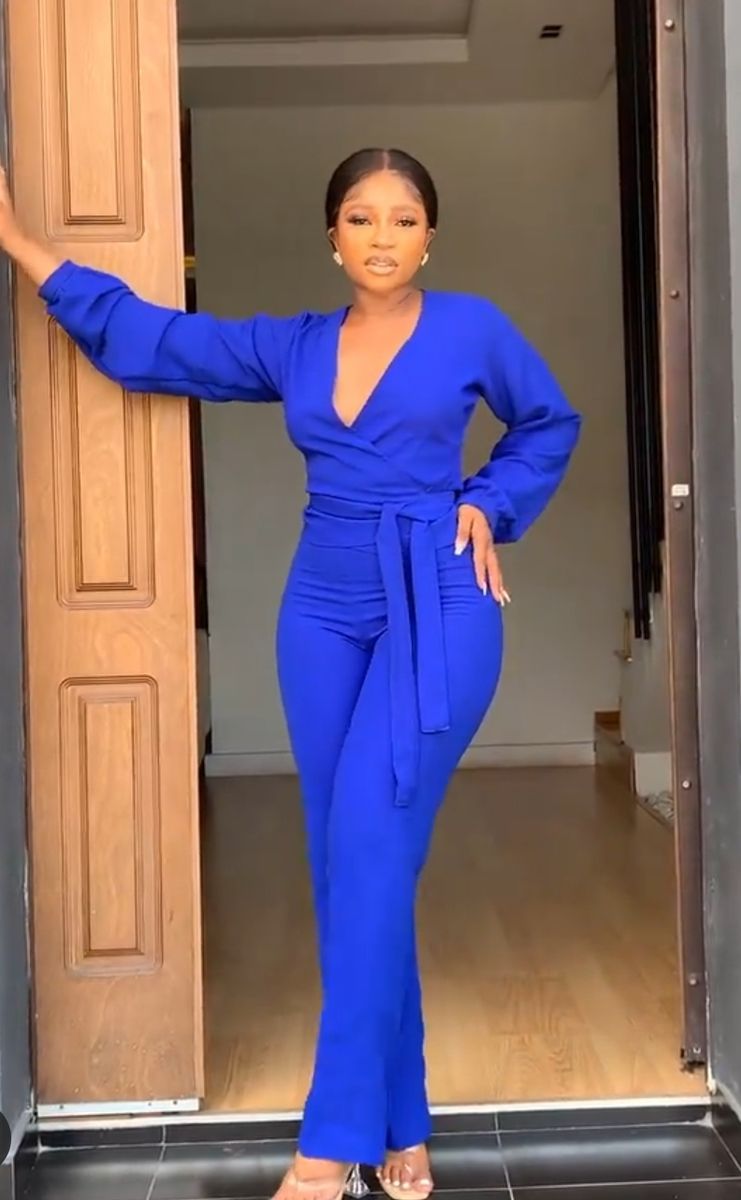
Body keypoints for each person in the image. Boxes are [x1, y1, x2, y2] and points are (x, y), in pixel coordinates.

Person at [0, 147, 581, 1200]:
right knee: (351, 864)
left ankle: (327, 1148)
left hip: (438, 599)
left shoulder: (472, 328)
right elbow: (154, 341)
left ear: (430, 238)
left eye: (402, 219)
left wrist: (487, 503)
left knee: (367, 842)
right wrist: (19, 243)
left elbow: (549, 421)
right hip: (319, 609)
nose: (381, 237)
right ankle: (402, 1122)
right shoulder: (297, 345)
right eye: (360, 218)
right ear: (331, 237)